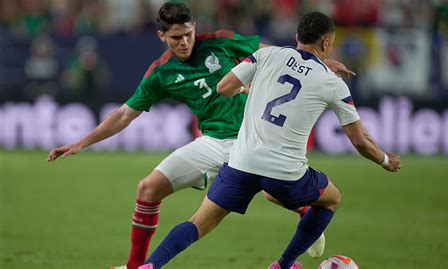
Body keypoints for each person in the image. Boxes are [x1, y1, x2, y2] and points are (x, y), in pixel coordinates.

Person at [46, 3, 354, 269]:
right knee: (148, 189)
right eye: (176, 37)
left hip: (251, 141)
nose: (184, 42)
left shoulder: (220, 42)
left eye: (189, 33)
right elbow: (125, 115)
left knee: (272, 191)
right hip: (211, 141)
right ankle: (135, 266)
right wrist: (80, 143)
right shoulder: (160, 73)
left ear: (195, 28)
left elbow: (274, 55)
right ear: (161, 37)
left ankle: (305, 212)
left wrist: (320, 63)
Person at [139, 11, 401, 269]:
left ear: (297, 35)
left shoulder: (266, 55)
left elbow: (223, 88)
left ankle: (150, 266)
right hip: (285, 174)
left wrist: (248, 88)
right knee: (331, 199)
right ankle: (283, 265)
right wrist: (385, 160)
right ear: (326, 43)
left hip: (241, 164)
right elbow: (360, 141)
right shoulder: (332, 83)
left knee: (197, 223)